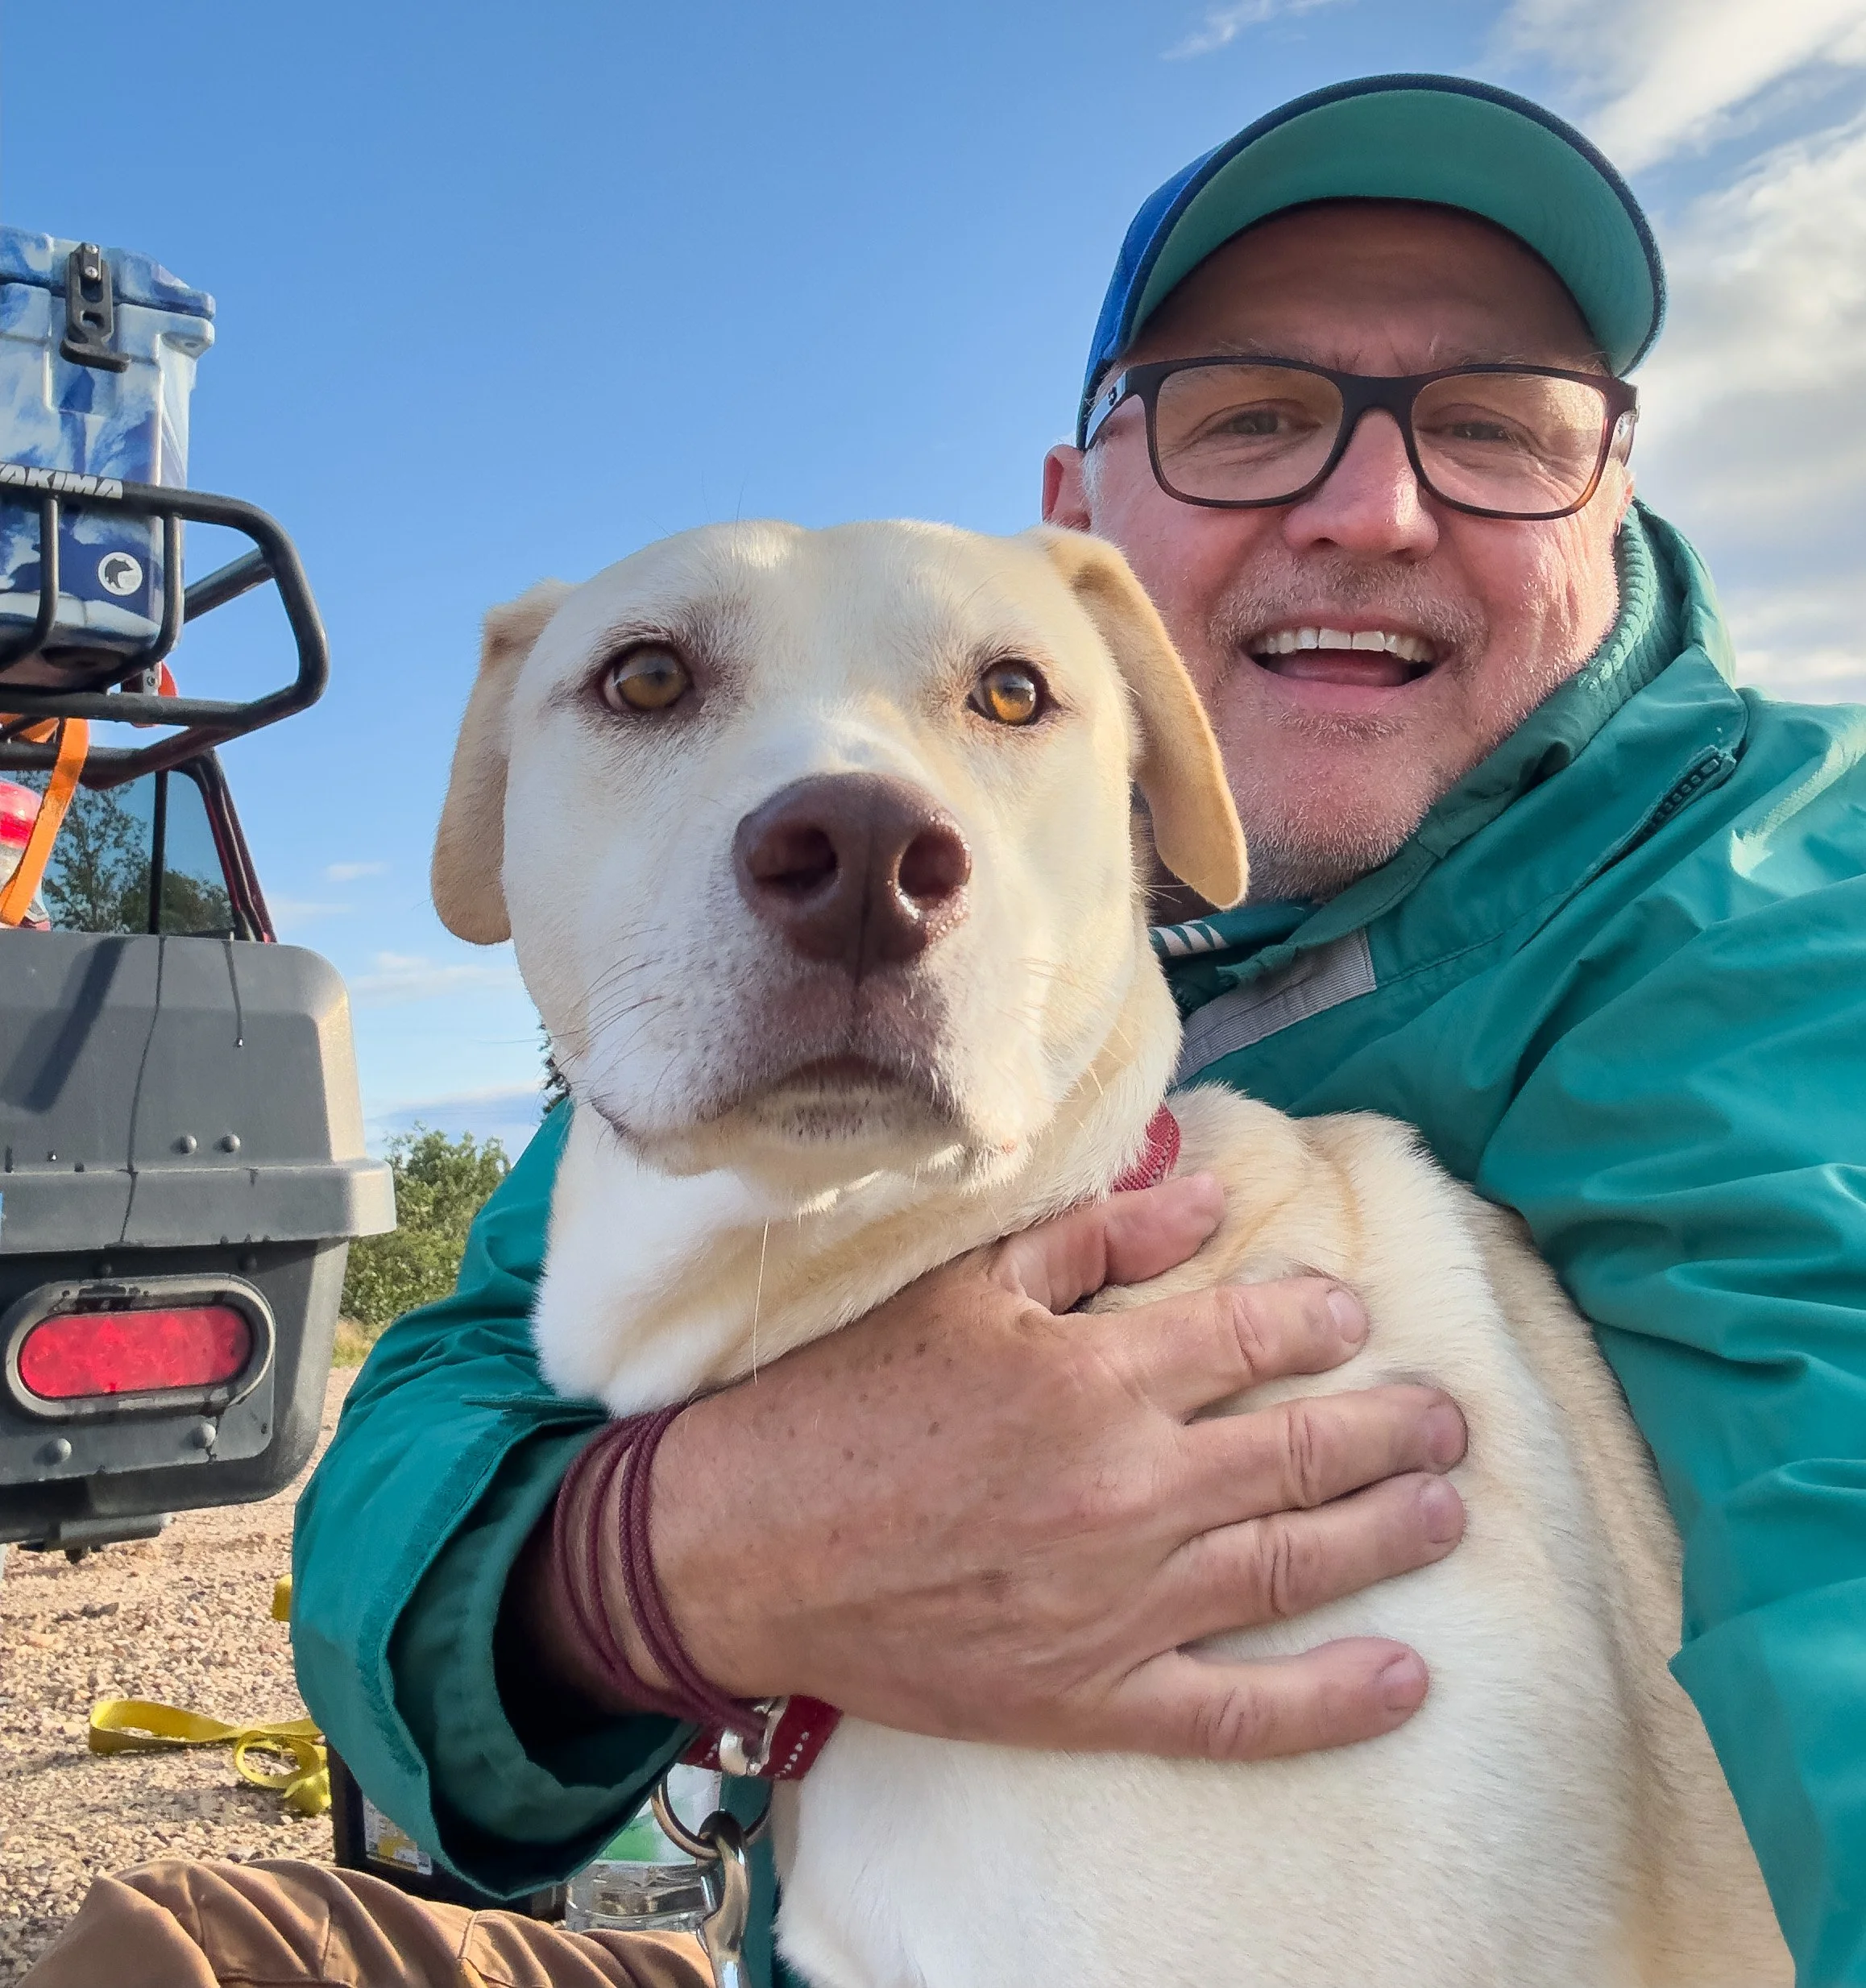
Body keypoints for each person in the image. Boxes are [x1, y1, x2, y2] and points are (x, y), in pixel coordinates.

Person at [30, 70, 1866, 1988]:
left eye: (1497, 426)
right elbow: (451, 1396)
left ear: (1612, 494)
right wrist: (668, 1568)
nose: (1378, 507)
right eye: (1253, 419)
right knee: (170, 1949)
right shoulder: (802, 1000)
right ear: (1082, 520)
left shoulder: (1780, 913)